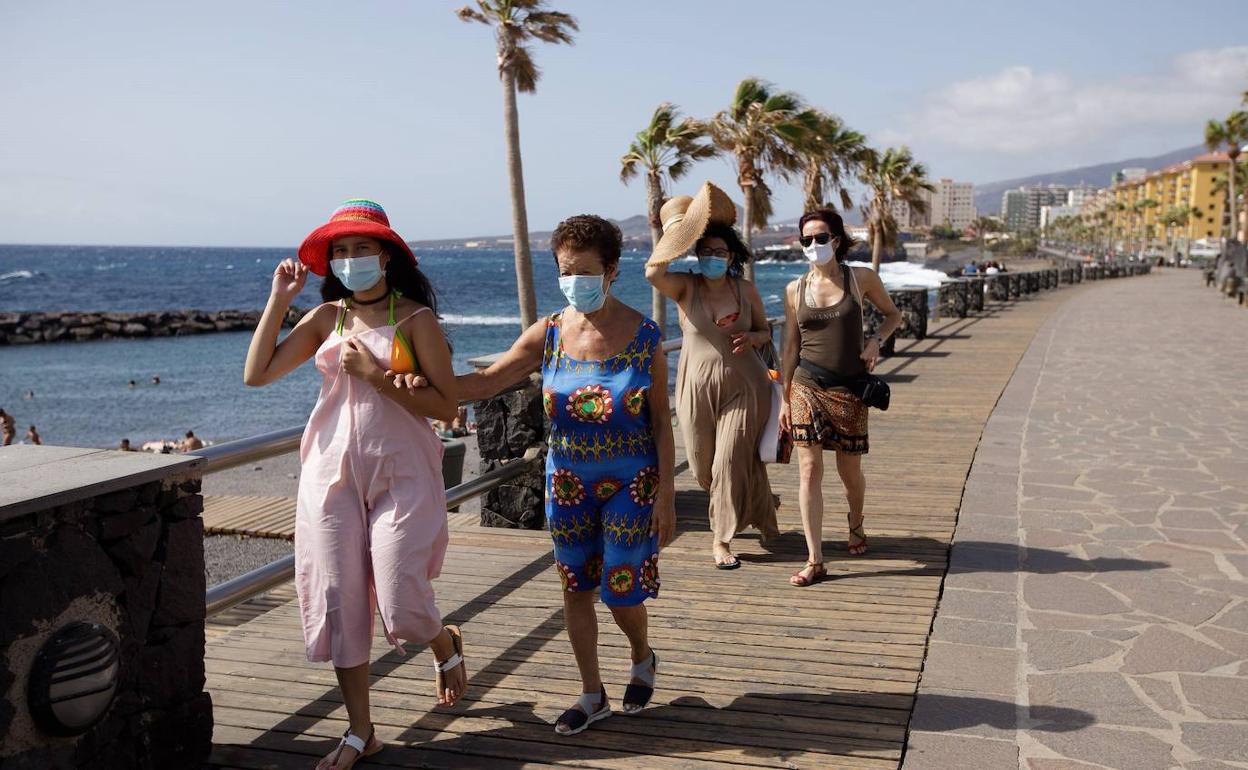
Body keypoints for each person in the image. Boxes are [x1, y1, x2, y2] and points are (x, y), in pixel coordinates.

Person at [395, 214, 677, 736]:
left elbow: (661, 421)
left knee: (621, 590)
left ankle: (642, 654)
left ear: (612, 270)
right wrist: (420, 385)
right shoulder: (548, 333)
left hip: (632, 483)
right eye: (565, 271)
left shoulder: (645, 335)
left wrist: (666, 497)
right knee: (575, 587)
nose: (573, 281)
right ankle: (592, 694)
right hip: (567, 483)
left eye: (584, 272)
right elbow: (486, 381)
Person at [243, 199, 465, 770]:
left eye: (361, 248)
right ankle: (361, 731)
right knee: (340, 599)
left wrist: (378, 376)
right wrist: (279, 300)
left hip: (402, 470)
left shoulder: (416, 319)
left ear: (386, 256)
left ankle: (442, 640)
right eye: (340, 250)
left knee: (402, 598)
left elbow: (447, 406)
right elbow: (257, 374)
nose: (349, 258)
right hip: (329, 472)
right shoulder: (326, 318)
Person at [644, 182, 779, 569]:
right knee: (704, 467)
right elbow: (653, 272)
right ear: (696, 253)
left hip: (746, 386)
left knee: (728, 462)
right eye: (706, 252)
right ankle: (762, 506)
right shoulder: (685, 286)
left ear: (732, 256)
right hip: (695, 388)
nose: (713, 258)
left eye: (720, 252)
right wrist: (677, 233)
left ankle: (721, 539)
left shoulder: (745, 290)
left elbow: (766, 331)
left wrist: (753, 337)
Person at [781, 208, 903, 587]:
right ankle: (815, 559)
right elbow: (790, 347)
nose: (814, 245)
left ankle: (856, 521)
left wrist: (875, 341)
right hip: (806, 384)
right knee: (808, 469)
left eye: (821, 238)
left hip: (849, 388)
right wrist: (784, 398)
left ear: (836, 240)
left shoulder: (860, 278)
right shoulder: (794, 290)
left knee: (850, 474)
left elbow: (893, 315)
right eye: (806, 240)